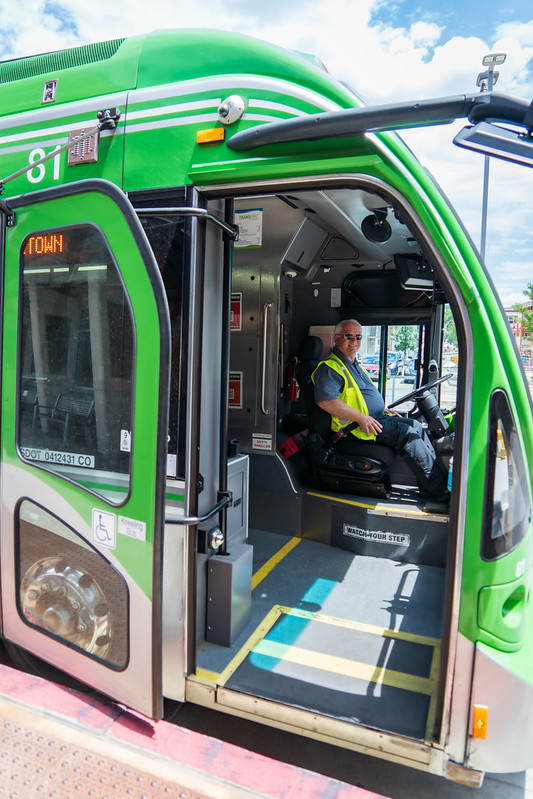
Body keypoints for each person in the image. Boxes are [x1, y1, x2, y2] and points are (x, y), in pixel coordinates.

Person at [312, 319, 449, 501]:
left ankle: (432, 486)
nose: (355, 341)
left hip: (373, 419)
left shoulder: (353, 365)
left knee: (415, 425)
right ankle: (439, 493)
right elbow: (326, 401)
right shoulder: (330, 368)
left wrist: (382, 408)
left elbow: (359, 396)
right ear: (337, 338)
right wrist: (362, 417)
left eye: (358, 336)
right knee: (407, 434)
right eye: (349, 336)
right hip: (354, 428)